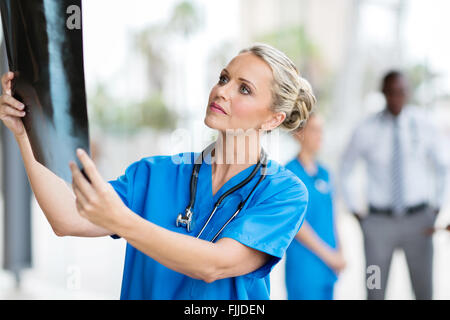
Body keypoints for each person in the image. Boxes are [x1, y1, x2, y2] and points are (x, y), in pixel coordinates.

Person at [0, 43, 317, 300]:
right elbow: (66, 218)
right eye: (223, 78)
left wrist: (121, 221)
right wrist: (23, 132)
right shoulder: (154, 174)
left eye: (244, 89)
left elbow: (213, 265)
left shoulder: (283, 191)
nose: (222, 91)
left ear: (273, 119)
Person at [340, 71, 448, 300]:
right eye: (391, 92)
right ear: (384, 93)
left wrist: (437, 208)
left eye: (401, 92)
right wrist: (357, 213)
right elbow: (345, 169)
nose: (396, 97)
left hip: (419, 223)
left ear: (408, 93)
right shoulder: (365, 129)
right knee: (374, 288)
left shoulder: (424, 124)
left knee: (424, 291)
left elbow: (443, 167)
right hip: (378, 225)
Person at [284, 113, 345, 300]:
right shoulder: (289, 174)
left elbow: (331, 215)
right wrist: (329, 255)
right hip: (306, 265)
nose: (320, 135)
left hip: (328, 266)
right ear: (298, 134)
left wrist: (340, 251)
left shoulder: (325, 172)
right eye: (314, 130)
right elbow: (297, 224)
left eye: (321, 130)